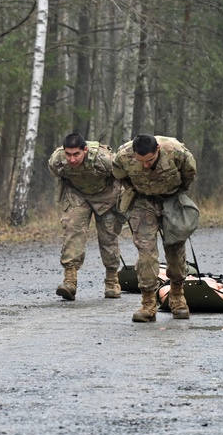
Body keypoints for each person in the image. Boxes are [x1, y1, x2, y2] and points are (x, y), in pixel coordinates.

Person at [112, 134, 197, 322]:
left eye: (149, 160)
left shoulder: (176, 152)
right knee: (146, 253)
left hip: (171, 199)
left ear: (157, 149)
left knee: (175, 249)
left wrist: (175, 193)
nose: (145, 165)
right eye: (140, 161)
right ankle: (148, 303)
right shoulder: (123, 156)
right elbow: (120, 176)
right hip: (143, 202)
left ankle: (177, 297)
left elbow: (189, 174)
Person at [47, 133, 123, 300]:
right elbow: (59, 176)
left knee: (108, 237)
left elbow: (121, 177)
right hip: (78, 195)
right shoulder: (57, 161)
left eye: (76, 154)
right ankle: (70, 281)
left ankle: (112, 281)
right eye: (68, 154)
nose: (72, 159)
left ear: (85, 150)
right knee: (72, 232)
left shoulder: (104, 159)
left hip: (106, 196)